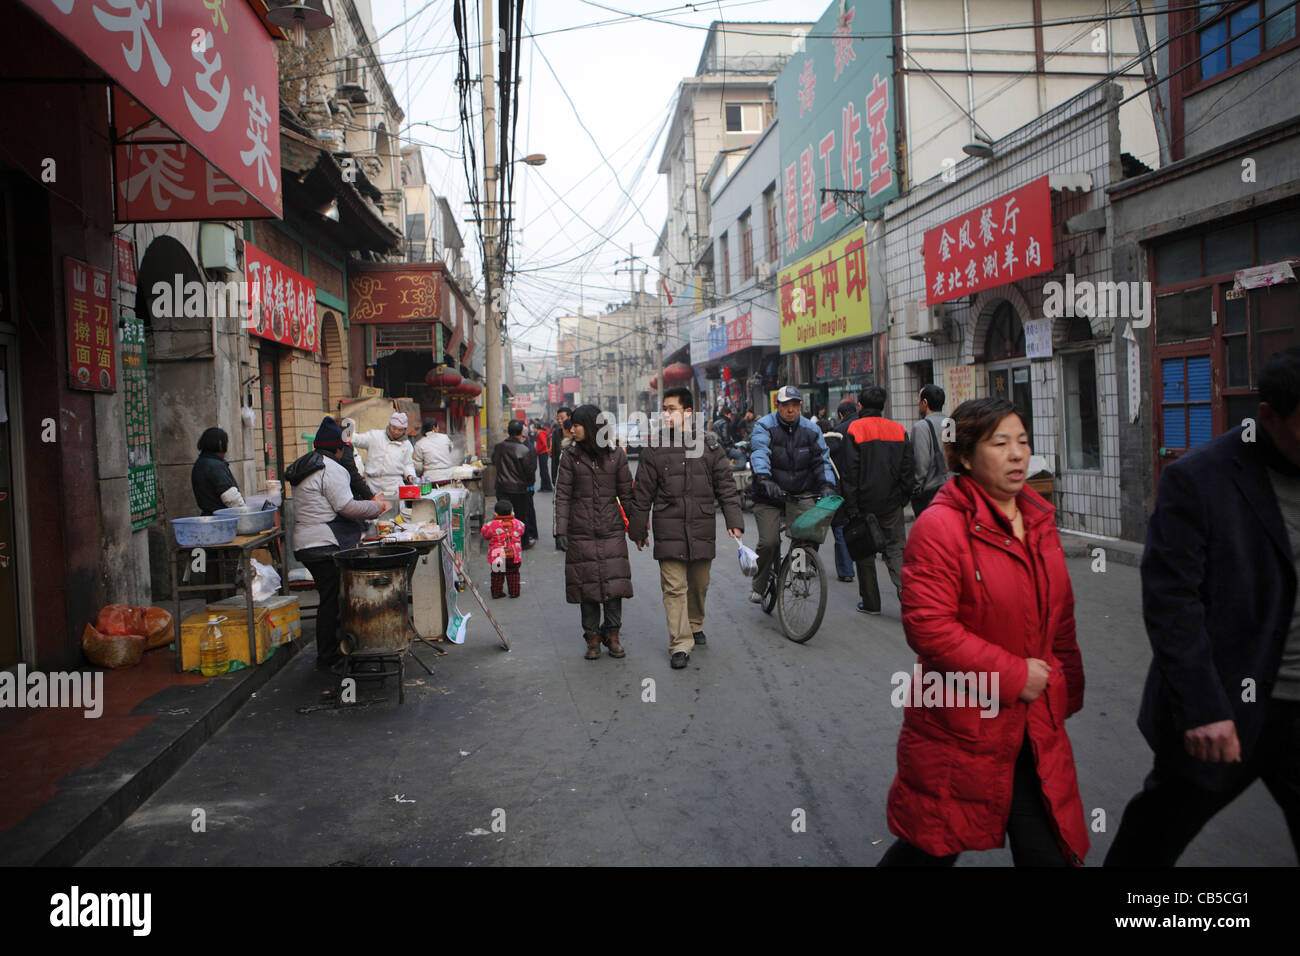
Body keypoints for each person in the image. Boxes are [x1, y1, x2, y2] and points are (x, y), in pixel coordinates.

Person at [1106, 346, 1300, 866]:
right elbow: (1172, 604)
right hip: (1228, 710)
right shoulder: (1200, 479)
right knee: (1153, 841)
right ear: (1268, 418)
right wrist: (1203, 707)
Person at [880, 397, 1088, 867]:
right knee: (931, 844)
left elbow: (1061, 617)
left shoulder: (1037, 520)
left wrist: (1066, 689)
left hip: (1032, 722)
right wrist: (1015, 677)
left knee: (1049, 849)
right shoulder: (940, 527)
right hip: (961, 724)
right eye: (1001, 443)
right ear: (966, 457)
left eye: (1023, 441)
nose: (1018, 454)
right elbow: (930, 629)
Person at [626, 387, 745, 669]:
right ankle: (680, 643)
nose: (665, 414)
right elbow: (642, 493)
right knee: (674, 587)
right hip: (668, 526)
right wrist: (638, 530)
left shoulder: (710, 447)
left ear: (688, 413)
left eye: (671, 409)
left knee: (699, 584)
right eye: (663, 410)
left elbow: (726, 488)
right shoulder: (654, 450)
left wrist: (734, 521)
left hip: (701, 525)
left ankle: (694, 623)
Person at [285, 417, 388, 669]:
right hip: (323, 544)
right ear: (338, 449)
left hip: (306, 543)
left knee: (329, 597)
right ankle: (329, 655)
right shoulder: (331, 468)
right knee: (332, 599)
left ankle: (333, 649)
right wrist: (377, 507)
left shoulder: (308, 464)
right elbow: (347, 507)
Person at [554, 404, 635, 661]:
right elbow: (562, 496)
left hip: (611, 528)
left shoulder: (616, 455)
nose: (572, 429)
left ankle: (613, 636)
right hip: (580, 529)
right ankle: (592, 638)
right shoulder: (569, 456)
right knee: (585, 585)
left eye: (576, 425)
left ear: (590, 427)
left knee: (614, 584)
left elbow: (627, 494)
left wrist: (637, 525)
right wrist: (561, 530)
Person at [747, 386, 837, 603]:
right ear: (777, 406)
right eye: (785, 405)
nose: (790, 410)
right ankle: (759, 585)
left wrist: (827, 484)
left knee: (807, 533)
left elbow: (821, 460)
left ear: (800, 406)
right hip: (769, 494)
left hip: (800, 492)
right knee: (768, 542)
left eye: (794, 405)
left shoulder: (811, 429)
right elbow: (760, 452)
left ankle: (798, 569)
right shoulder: (764, 426)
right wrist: (764, 478)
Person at [843, 386, 913, 615]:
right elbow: (907, 469)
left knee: (865, 553)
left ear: (860, 406)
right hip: (892, 502)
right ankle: (910, 599)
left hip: (864, 504)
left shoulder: (855, 429)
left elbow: (850, 473)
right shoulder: (898, 429)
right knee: (895, 549)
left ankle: (871, 603)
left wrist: (852, 506)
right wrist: (902, 497)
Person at [823, 400, 860, 583]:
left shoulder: (820, 447)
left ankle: (807, 566)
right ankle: (847, 571)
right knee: (841, 530)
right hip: (847, 489)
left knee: (811, 534)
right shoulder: (848, 438)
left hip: (825, 494)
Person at [348, 411, 417, 501]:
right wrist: (347, 432)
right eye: (394, 428)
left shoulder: (406, 445)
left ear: (405, 430)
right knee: (373, 511)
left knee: (393, 511)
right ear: (389, 425)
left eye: (400, 430)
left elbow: (408, 464)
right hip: (372, 484)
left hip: (393, 485)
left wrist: (410, 475)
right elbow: (358, 440)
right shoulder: (375, 436)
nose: (396, 432)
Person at [492, 419, 539, 547]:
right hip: (518, 489)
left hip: (501, 487)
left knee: (503, 516)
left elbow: (493, 460)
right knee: (520, 516)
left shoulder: (498, 447)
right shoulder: (523, 449)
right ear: (521, 432)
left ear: (508, 432)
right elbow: (529, 470)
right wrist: (530, 484)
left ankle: (503, 541)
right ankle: (523, 542)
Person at [910, 385, 949, 516]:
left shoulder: (920, 427)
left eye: (919, 400)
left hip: (930, 492)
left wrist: (916, 489)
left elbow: (921, 464)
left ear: (925, 403)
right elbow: (951, 455)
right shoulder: (950, 423)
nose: (918, 403)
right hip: (948, 489)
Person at [191, 427, 245, 515]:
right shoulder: (214, 466)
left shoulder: (200, 463)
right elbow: (231, 498)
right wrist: (245, 515)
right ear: (220, 444)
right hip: (222, 520)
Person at [481, 499, 526, 599]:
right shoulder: (517, 523)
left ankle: (497, 592)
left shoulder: (492, 524)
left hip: (498, 554)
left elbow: (485, 534)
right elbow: (522, 529)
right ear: (511, 512)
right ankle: (514, 592)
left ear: (496, 513)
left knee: (497, 574)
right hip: (513, 554)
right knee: (513, 573)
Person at [413, 418, 454, 485]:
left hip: (430, 479)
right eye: (438, 426)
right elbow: (450, 450)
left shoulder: (419, 443)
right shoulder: (445, 438)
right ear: (434, 427)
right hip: (448, 477)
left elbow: (418, 467)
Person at [550, 407, 572, 487]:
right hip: (561, 476)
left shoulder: (576, 432)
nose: (559, 421)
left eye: (562, 418)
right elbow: (554, 457)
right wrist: (554, 477)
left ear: (569, 417)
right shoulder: (556, 433)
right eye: (558, 418)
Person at [535, 419, 553, 492]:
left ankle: (548, 487)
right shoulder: (541, 433)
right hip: (542, 453)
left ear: (536, 428)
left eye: (534, 428)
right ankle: (543, 487)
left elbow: (544, 444)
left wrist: (538, 450)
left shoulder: (540, 434)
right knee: (542, 471)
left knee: (544, 471)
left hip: (542, 453)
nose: (533, 429)